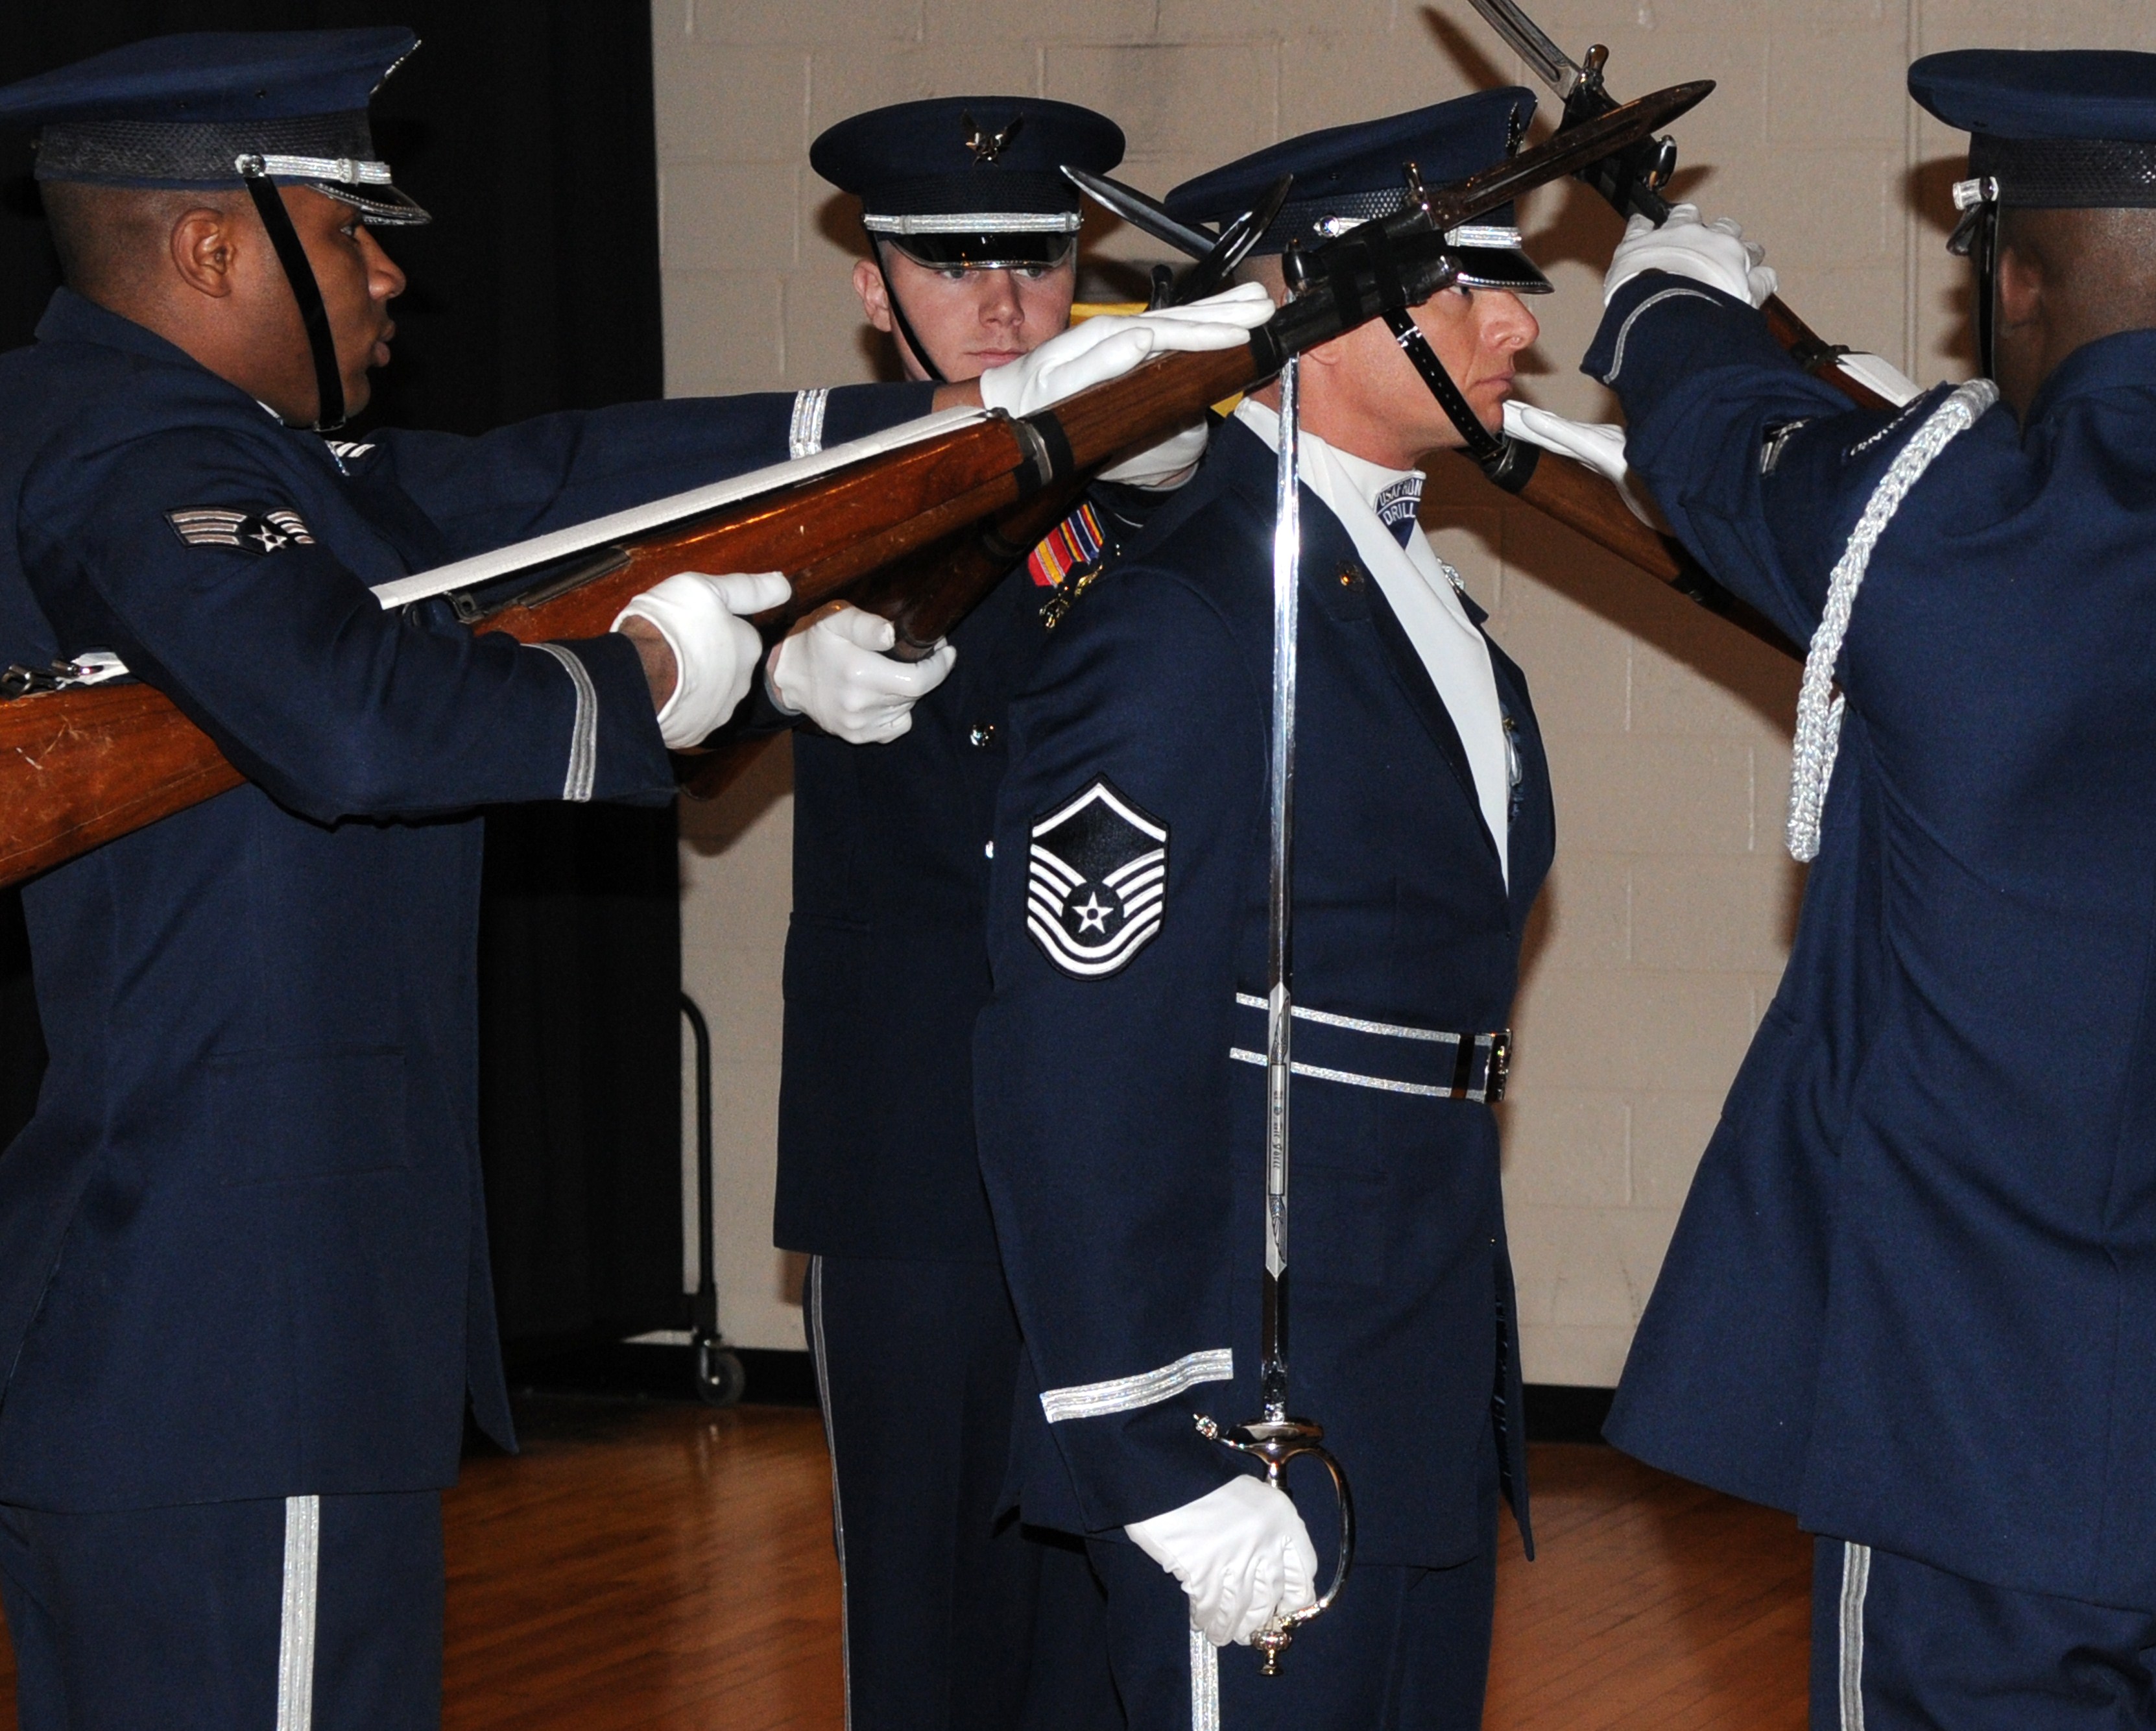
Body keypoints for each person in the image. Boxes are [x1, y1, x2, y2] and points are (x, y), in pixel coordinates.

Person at [0, 30, 1261, 1728]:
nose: (389, 275)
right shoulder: (152, 457)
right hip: (231, 1321)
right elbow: (350, 724)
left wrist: (970, 418)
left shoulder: (215, 449)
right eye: (349, 229)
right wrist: (644, 684)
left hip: (240, 1316)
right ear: (214, 246)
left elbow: (547, 477)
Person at [1592, 49, 2156, 1729]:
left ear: (2010, 271)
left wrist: (1670, 296)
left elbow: (1730, 458)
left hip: (1957, 1419)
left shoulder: (1941, 513)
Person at [970, 88, 1554, 1729]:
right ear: (1312, 302)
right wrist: (1149, 1443)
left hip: (1410, 1370)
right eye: (1460, 288)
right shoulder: (1184, 626)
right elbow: (1077, 1057)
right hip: (1249, 1395)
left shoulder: (1423, 601)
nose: (1515, 324)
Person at [764, 93, 1264, 1730]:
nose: (1002, 300)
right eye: (951, 261)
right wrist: (765, 666)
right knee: (917, 1599)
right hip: (905, 1132)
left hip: (1111, 1141)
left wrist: (1201, 472)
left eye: (1036, 258)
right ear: (875, 285)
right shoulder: (807, 494)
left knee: (1099, 1589)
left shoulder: (1161, 490)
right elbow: (646, 689)